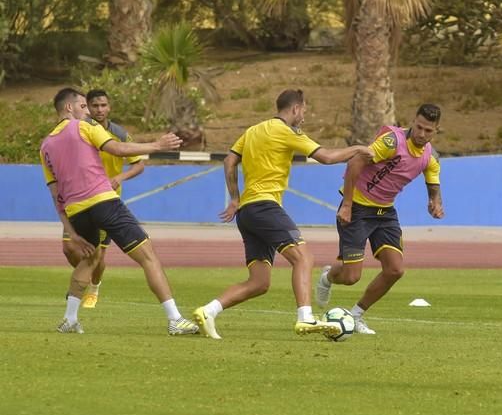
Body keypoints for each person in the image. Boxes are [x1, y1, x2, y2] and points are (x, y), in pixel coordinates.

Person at [193, 89, 373, 340]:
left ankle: (208, 311)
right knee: (304, 258)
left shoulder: (253, 130)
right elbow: (327, 157)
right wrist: (358, 149)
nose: (304, 116)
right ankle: (306, 318)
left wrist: (235, 197)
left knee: (259, 282)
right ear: (296, 109)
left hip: (247, 212)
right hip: (265, 207)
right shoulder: (286, 132)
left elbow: (229, 161)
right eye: (304, 111)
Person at [40, 87, 199, 336]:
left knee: (89, 260)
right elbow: (117, 149)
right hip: (104, 201)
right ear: (69, 108)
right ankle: (175, 319)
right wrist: (157, 144)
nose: (88, 111)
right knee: (148, 256)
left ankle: (69, 319)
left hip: (76, 211)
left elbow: (55, 194)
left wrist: (71, 231)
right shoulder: (83, 127)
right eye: (83, 106)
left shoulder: (46, 146)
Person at [315, 104, 444, 335]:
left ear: (436, 131)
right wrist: (347, 204)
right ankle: (328, 277)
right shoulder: (391, 142)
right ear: (413, 121)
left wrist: (435, 201)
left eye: (428, 131)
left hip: (385, 213)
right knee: (351, 276)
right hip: (358, 209)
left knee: (395, 270)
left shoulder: (430, 156)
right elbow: (355, 162)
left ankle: (355, 316)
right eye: (419, 127)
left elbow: (433, 180)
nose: (422, 134)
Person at [61, 89, 145, 309]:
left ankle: (94, 288)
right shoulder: (80, 130)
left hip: (105, 201)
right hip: (79, 199)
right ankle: (83, 276)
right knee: (69, 248)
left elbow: (139, 164)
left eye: (103, 105)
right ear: (87, 106)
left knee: (97, 253)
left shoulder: (119, 133)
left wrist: (120, 177)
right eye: (94, 106)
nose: (99, 110)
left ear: (109, 107)